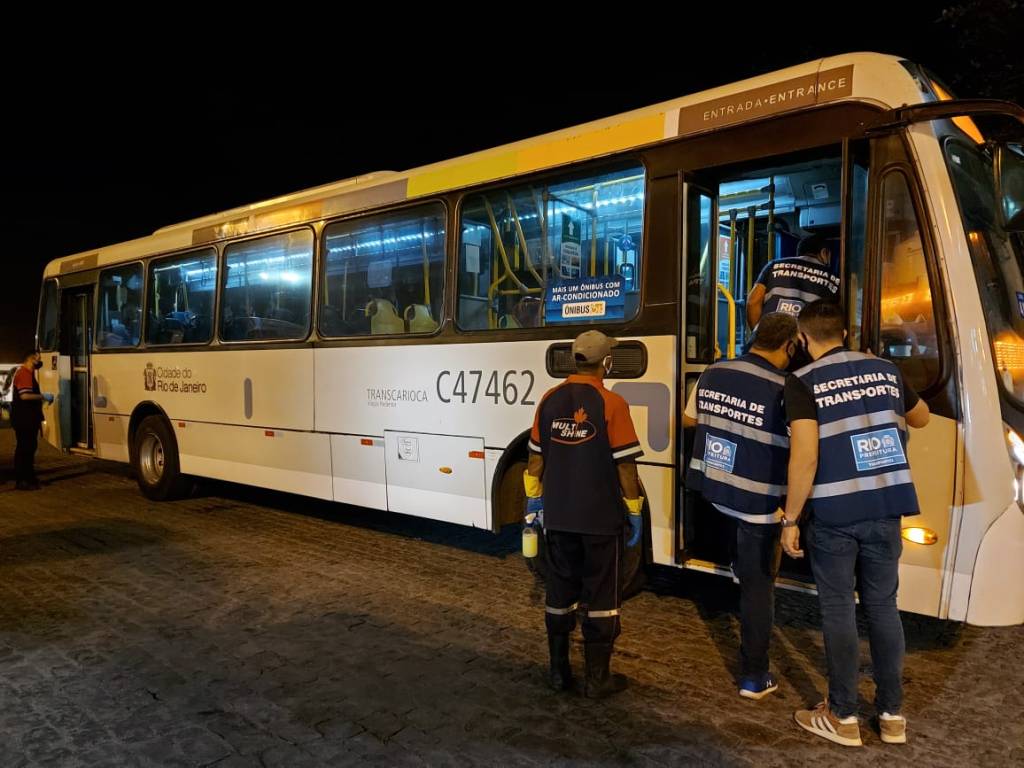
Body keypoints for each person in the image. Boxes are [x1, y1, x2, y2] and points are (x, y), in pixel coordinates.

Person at [779, 300, 930, 747]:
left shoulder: (802, 381)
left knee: (839, 608)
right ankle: (891, 714)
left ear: (803, 340)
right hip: (887, 505)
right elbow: (920, 418)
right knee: (884, 607)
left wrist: (790, 520)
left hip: (835, 514)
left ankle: (842, 716)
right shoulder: (884, 368)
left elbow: (805, 456)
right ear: (845, 332)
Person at [683, 313, 798, 700]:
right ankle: (753, 675)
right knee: (758, 588)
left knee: (742, 556)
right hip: (757, 502)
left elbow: (687, 419)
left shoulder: (714, 371)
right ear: (789, 346)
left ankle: (735, 564)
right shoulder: (786, 388)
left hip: (716, 490)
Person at [524, 330, 644, 697]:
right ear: (606, 362)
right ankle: (597, 679)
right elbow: (625, 468)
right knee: (602, 597)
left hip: (558, 519)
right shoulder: (612, 403)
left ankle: (558, 673)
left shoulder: (549, 398)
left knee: (559, 591)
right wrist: (634, 509)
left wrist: (533, 502)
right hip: (600, 521)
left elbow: (534, 459)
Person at [746, 234, 840, 329]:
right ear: (824, 253)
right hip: (804, 340)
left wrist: (758, 331)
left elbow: (753, 301)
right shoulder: (833, 279)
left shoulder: (773, 265)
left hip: (767, 337)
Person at [11, 350, 54, 491]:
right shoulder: (24, 374)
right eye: (38, 359)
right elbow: (25, 396)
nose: (40, 361)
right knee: (25, 449)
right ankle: (23, 480)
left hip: (26, 418)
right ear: (31, 359)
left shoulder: (26, 373)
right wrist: (42, 396)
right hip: (25, 419)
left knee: (29, 448)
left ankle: (29, 478)